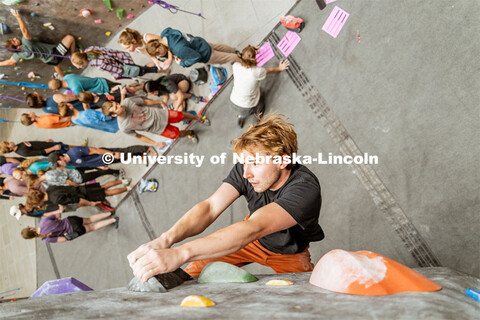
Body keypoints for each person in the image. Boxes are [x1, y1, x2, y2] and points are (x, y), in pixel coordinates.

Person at [127, 115, 325, 282]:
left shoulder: (305, 188)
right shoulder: (246, 170)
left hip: (289, 252)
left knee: (304, 297)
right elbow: (211, 207)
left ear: (282, 161)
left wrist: (180, 252)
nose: (246, 173)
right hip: (250, 241)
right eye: (244, 163)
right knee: (187, 277)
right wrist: (166, 240)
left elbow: (254, 228)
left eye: (255, 163)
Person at [102, 97, 210, 145]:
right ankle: (190, 133)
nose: (119, 105)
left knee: (180, 116)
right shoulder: (124, 127)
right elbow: (138, 136)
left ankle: (198, 118)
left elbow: (145, 102)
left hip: (160, 114)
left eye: (116, 104)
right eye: (116, 108)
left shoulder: (127, 101)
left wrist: (159, 102)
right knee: (177, 134)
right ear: (114, 115)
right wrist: (155, 143)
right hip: (157, 129)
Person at [0, 9, 75, 78]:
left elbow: (9, 62)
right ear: (17, 47)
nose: (15, 38)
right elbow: (25, 31)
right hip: (55, 54)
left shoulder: (18, 54)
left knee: (56, 65)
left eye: (13, 38)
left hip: (48, 61)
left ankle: (63, 78)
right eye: (14, 41)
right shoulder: (27, 44)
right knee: (70, 38)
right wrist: (18, 17)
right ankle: (73, 56)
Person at [230, 45, 290, 128]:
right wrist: (280, 68)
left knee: (242, 111)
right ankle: (255, 124)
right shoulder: (257, 71)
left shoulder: (235, 66)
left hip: (233, 101)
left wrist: (251, 51)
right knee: (261, 104)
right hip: (247, 106)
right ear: (254, 59)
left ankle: (241, 117)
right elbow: (270, 70)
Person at [146, 27, 240, 68]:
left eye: (159, 55)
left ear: (159, 49)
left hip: (205, 54)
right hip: (198, 41)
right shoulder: (165, 33)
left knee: (227, 58)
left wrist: (182, 63)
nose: (161, 56)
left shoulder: (178, 50)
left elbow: (196, 57)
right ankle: (234, 51)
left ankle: (242, 59)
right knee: (218, 47)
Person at [21, 210, 119, 243]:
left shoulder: (46, 239)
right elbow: (58, 215)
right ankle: (109, 213)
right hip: (71, 220)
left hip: (74, 230)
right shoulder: (43, 222)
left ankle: (113, 220)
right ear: (30, 228)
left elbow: (63, 239)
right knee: (90, 219)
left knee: (93, 227)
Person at [70, 46, 158, 80]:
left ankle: (160, 68)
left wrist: (115, 76)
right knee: (140, 68)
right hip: (121, 57)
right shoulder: (89, 49)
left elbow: (119, 70)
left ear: (83, 61)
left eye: (79, 65)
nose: (78, 68)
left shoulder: (99, 64)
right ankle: (156, 62)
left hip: (125, 65)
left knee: (141, 71)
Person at [48, 145, 154, 169]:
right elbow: (86, 163)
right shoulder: (69, 163)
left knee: (124, 152)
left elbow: (95, 150)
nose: (59, 166)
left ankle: (147, 148)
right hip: (102, 161)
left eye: (58, 164)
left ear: (60, 158)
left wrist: (111, 154)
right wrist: (99, 166)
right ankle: (140, 154)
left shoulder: (74, 152)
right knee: (124, 158)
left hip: (104, 154)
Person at [141, 75, 207, 111]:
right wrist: (164, 104)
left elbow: (180, 96)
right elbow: (165, 96)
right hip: (174, 90)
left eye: (152, 93)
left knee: (175, 97)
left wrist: (175, 110)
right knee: (180, 109)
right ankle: (184, 99)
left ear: (154, 89)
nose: (153, 95)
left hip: (183, 82)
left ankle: (190, 96)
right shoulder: (157, 89)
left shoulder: (166, 83)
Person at [25, 92, 97, 114]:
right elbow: (76, 96)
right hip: (86, 102)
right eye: (34, 94)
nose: (35, 92)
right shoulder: (55, 98)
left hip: (81, 111)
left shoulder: (45, 110)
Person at [48, 74, 120, 96]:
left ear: (57, 89)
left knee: (125, 92)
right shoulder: (67, 76)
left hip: (104, 88)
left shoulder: (76, 90)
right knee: (124, 87)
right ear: (57, 79)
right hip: (101, 80)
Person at [0, 140, 72, 157]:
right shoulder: (23, 152)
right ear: (9, 149)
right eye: (8, 144)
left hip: (48, 145)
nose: (10, 142)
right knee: (68, 148)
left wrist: (45, 141)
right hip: (52, 149)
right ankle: (82, 148)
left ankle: (81, 147)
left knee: (67, 146)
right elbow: (40, 152)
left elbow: (34, 144)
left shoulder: (18, 145)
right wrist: (53, 148)